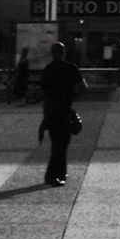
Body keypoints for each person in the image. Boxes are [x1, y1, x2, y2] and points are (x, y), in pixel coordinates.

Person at [38, 41, 87, 185]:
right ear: (64, 52)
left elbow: (44, 92)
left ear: (52, 53)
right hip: (65, 109)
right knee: (62, 143)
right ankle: (54, 175)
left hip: (51, 110)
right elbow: (83, 87)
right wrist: (73, 96)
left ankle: (59, 173)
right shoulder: (71, 68)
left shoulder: (47, 70)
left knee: (57, 142)